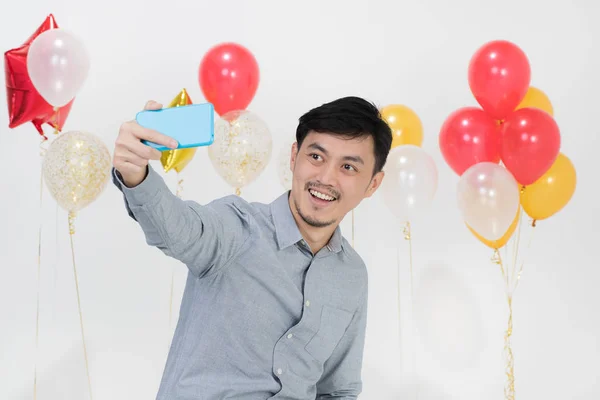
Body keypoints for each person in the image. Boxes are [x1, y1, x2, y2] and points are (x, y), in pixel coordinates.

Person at [112, 96, 393, 399]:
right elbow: (177, 230)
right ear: (294, 156)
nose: (325, 178)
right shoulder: (237, 227)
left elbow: (338, 389)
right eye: (316, 157)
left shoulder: (351, 274)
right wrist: (136, 175)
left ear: (372, 185)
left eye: (348, 166)